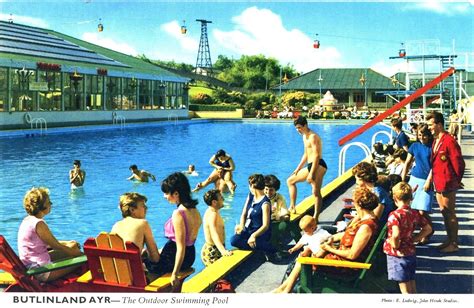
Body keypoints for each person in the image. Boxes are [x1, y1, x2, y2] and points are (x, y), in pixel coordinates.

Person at [273, 187, 379, 293]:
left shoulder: (366, 227)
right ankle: (284, 289)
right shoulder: (364, 221)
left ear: (360, 205)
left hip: (345, 267)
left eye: (355, 203)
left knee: (303, 257)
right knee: (306, 253)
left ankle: (286, 290)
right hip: (340, 258)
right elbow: (345, 235)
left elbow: (352, 255)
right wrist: (330, 238)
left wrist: (329, 248)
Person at [145, 172, 202, 291]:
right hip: (190, 255)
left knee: (143, 262)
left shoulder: (179, 213)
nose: (164, 196)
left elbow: (180, 247)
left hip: (177, 256)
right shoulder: (194, 210)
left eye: (166, 193)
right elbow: (187, 242)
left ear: (176, 193)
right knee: (148, 254)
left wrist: (175, 273)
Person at [18, 187, 83, 282]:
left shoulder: (27, 221)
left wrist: (68, 243)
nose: (51, 204)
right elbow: (57, 246)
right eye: (49, 202)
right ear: (41, 206)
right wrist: (81, 255)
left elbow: (46, 243)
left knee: (72, 246)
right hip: (41, 272)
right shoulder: (39, 224)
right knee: (81, 261)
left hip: (31, 265)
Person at [384, 182, 432, 294]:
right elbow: (428, 228)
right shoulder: (414, 213)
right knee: (411, 281)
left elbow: (395, 234)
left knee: (404, 287)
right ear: (411, 197)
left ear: (395, 198)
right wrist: (414, 239)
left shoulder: (395, 215)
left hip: (397, 254)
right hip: (410, 252)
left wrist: (395, 245)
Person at [427, 111, 465, 253]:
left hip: (447, 182)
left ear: (439, 124)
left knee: (450, 213)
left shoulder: (449, 141)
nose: (429, 127)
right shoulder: (436, 140)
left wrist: (456, 181)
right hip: (439, 182)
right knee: (444, 212)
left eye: (431, 125)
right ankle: (449, 239)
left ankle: (454, 243)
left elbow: (458, 163)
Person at [287, 116, 327, 222]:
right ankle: (292, 206)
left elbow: (317, 156)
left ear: (305, 125)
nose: (298, 130)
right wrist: (297, 169)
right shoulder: (304, 136)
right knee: (290, 181)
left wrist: (312, 173)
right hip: (310, 165)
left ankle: (316, 216)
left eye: (299, 127)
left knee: (316, 192)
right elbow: (306, 154)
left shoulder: (313, 136)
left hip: (318, 165)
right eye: (296, 128)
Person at [401, 124, 434, 244]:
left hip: (426, 180)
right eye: (420, 135)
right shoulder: (414, 146)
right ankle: (425, 232)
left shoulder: (433, 147)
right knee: (414, 209)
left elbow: (434, 166)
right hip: (414, 178)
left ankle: (429, 230)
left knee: (422, 210)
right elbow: (407, 163)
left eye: (424, 135)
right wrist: (403, 179)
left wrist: (429, 181)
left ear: (429, 135)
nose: (422, 137)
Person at [111, 192, 160, 266]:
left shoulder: (116, 225)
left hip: (114, 271)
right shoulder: (143, 223)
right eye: (143, 206)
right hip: (133, 274)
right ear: (132, 210)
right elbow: (155, 258)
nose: (146, 208)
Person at [231, 174, 275, 256]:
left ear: (252, 186)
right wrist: (241, 226)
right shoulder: (251, 196)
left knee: (242, 241)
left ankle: (268, 248)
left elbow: (265, 226)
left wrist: (254, 236)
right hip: (249, 229)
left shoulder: (265, 203)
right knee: (234, 240)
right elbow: (244, 213)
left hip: (260, 233)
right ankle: (258, 248)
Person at [264, 174, 297, 249]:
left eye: (271, 190)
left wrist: (283, 216)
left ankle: (301, 245)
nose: (268, 192)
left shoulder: (279, 198)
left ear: (276, 189)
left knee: (290, 225)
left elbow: (285, 214)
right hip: (262, 225)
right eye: (266, 189)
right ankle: (276, 249)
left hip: (274, 222)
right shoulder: (260, 197)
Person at [201, 189, 233, 266]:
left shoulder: (212, 211)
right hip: (213, 251)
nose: (223, 199)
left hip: (213, 248)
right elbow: (213, 234)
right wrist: (223, 251)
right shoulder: (213, 214)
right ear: (214, 202)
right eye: (221, 198)